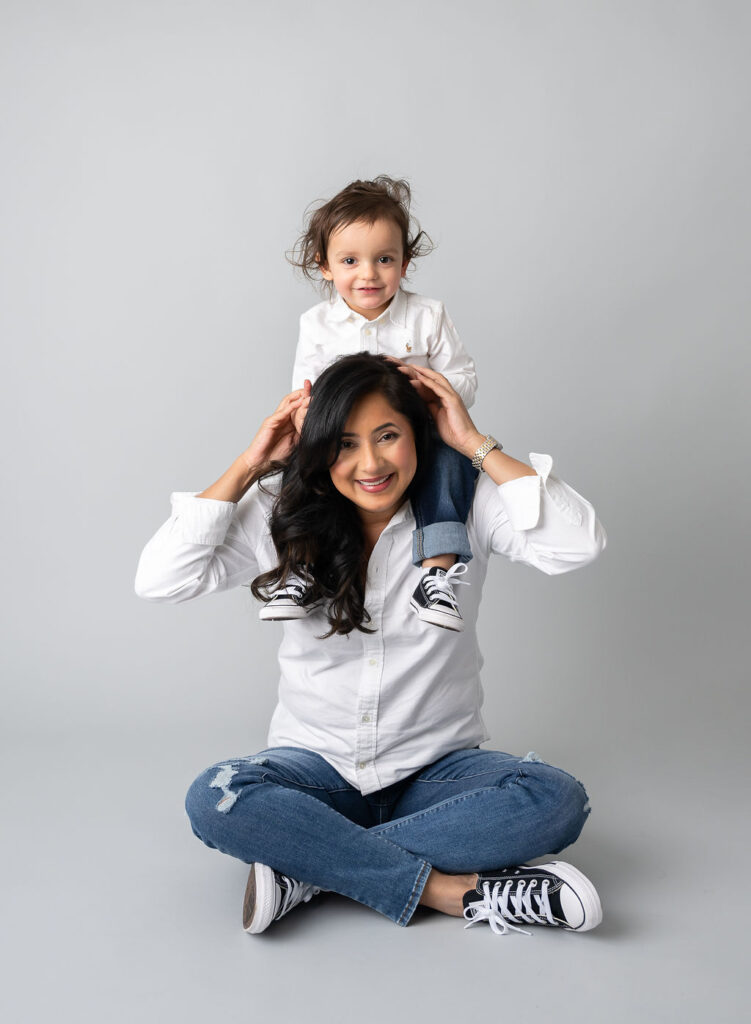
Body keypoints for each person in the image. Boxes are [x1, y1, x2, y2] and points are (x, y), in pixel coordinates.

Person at [135, 353, 607, 937]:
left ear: (419, 434)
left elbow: (578, 543)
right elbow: (160, 579)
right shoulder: (281, 513)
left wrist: (476, 444)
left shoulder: (462, 508)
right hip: (315, 772)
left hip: (434, 775)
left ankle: (308, 869)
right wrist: (250, 463)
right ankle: (441, 890)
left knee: (555, 799)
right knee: (217, 797)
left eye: (389, 436)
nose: (371, 463)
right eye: (346, 443)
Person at [260, 176, 478, 632]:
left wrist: (426, 387)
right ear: (324, 266)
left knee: (453, 465)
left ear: (405, 262)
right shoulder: (317, 322)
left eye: (384, 259)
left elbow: (464, 378)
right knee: (298, 473)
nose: (368, 274)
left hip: (414, 433)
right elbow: (305, 389)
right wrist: (306, 422)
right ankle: (299, 566)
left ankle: (436, 574)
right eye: (350, 261)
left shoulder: (428, 315)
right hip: (344, 435)